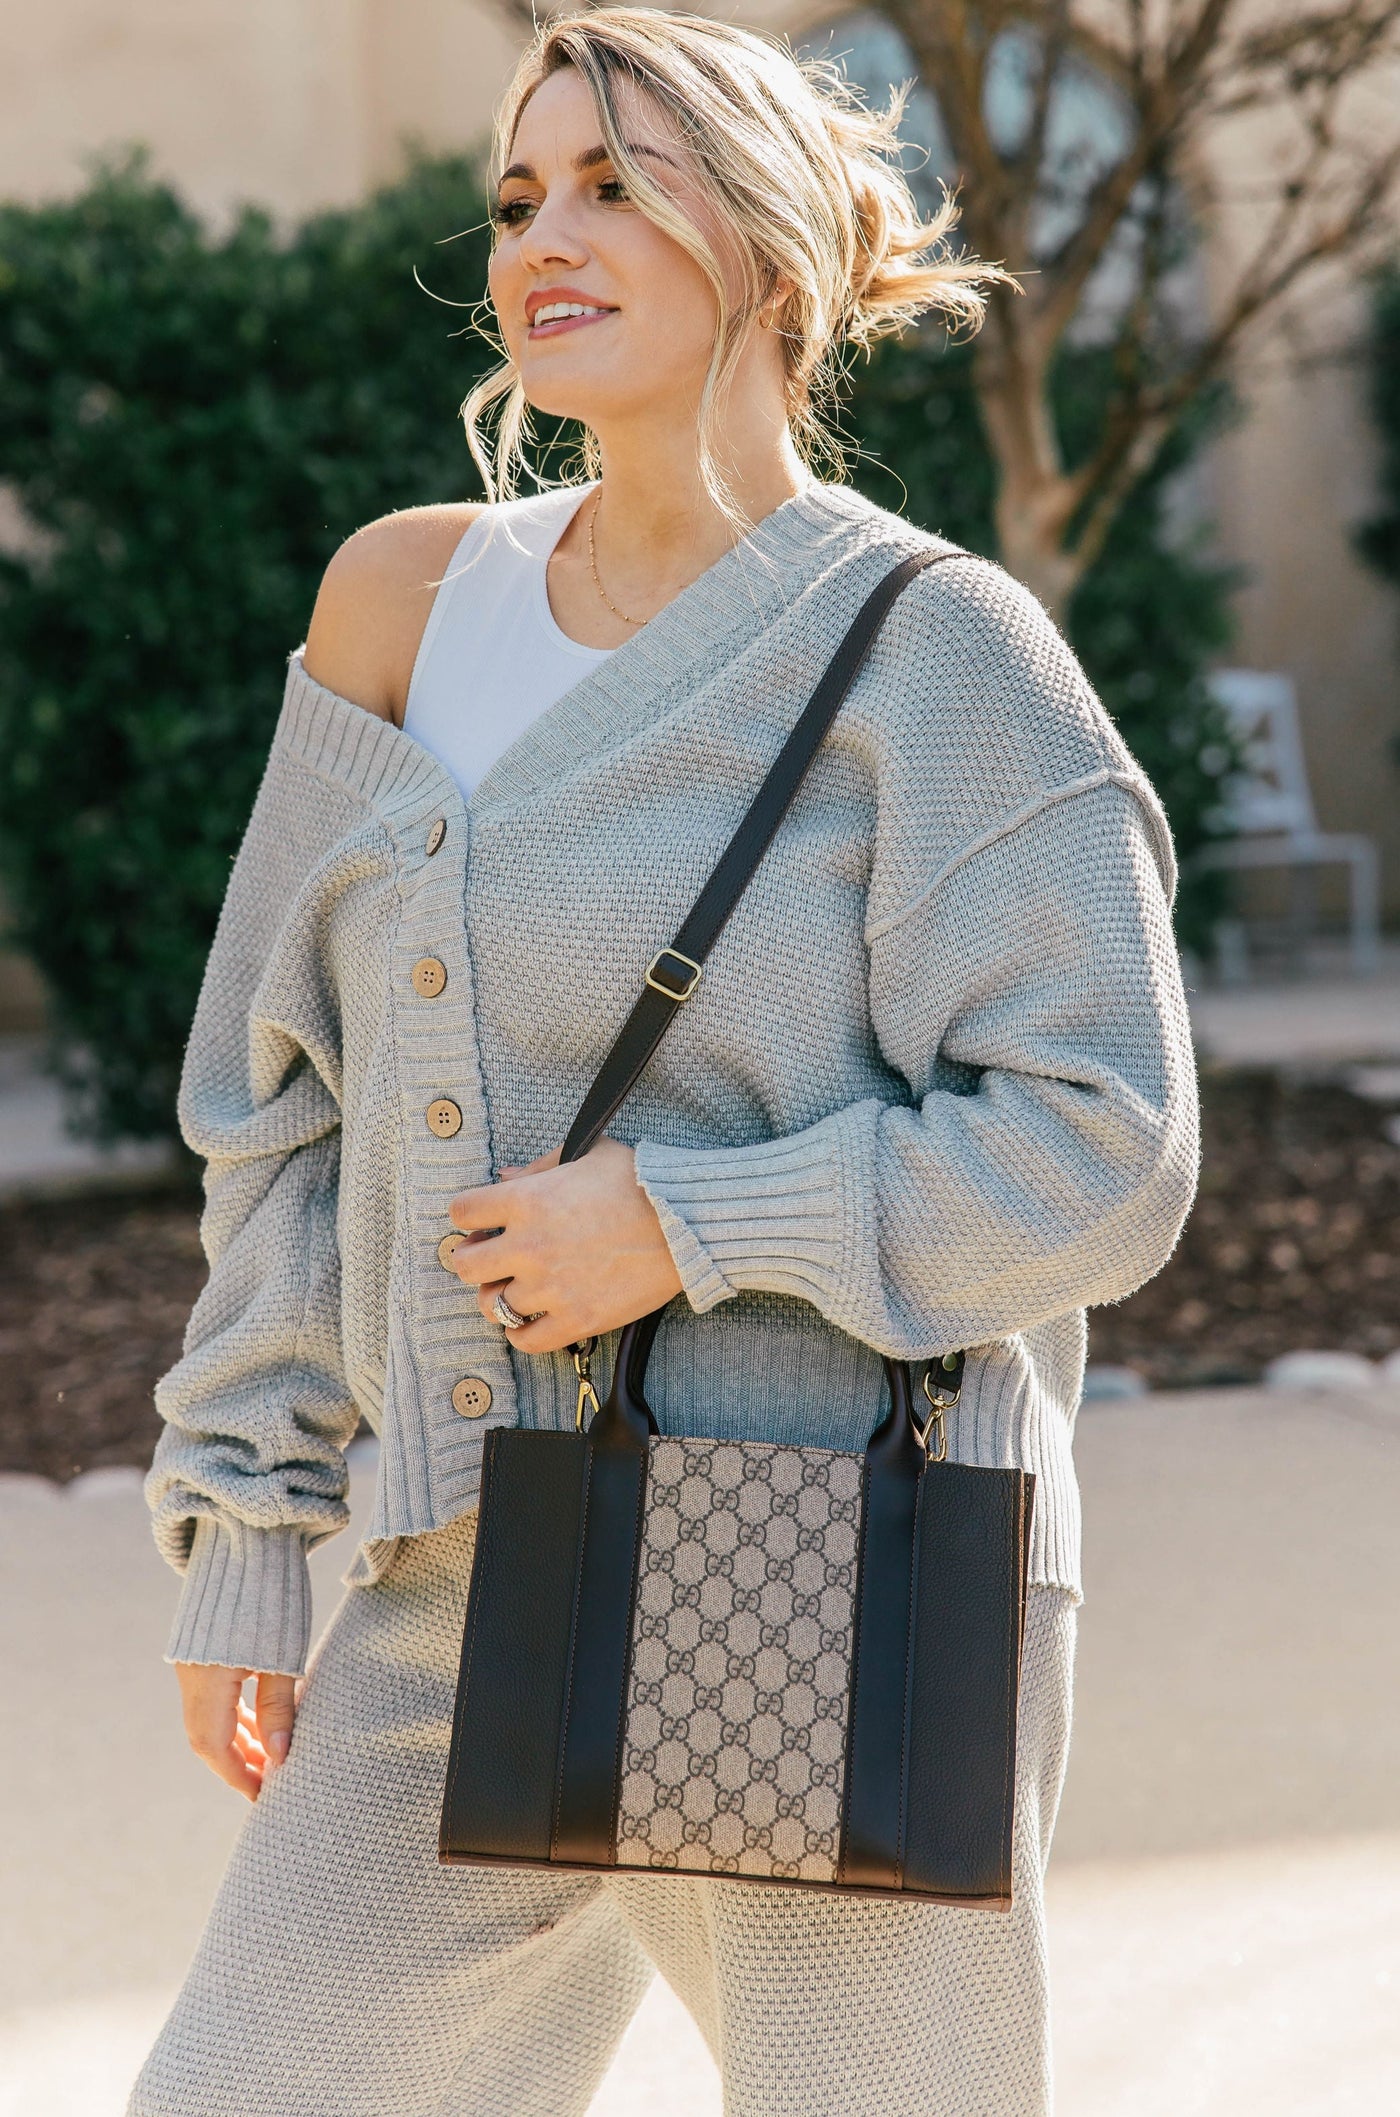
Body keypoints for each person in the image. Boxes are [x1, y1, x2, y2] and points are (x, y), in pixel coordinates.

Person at [129, 10, 1198, 2114]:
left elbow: (1106, 1144)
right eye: (520, 194)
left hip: (838, 1571)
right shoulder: (400, 604)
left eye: (619, 183)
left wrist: (686, 1224)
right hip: (461, 1575)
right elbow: (280, 1104)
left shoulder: (938, 650)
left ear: (772, 246)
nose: (546, 234)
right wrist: (246, 1519)